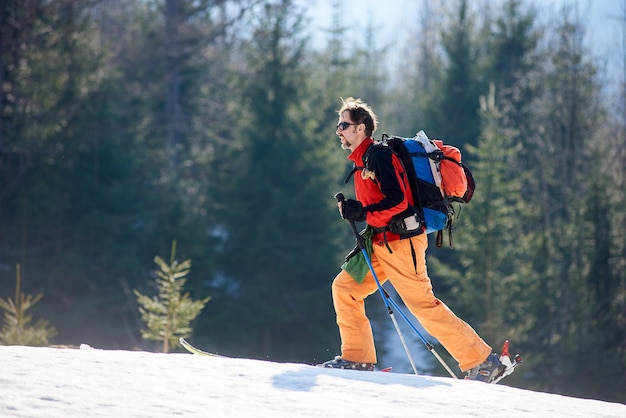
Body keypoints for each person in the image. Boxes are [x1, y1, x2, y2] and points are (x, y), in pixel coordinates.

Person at [319, 97, 503, 382]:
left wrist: (362, 212)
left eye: (344, 125)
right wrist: (358, 210)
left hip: (401, 243)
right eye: (339, 125)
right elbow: (381, 202)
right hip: (380, 243)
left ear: (361, 128)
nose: (339, 131)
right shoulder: (363, 160)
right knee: (346, 289)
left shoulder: (378, 156)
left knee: (423, 306)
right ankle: (357, 358)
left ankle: (483, 361)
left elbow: (399, 202)